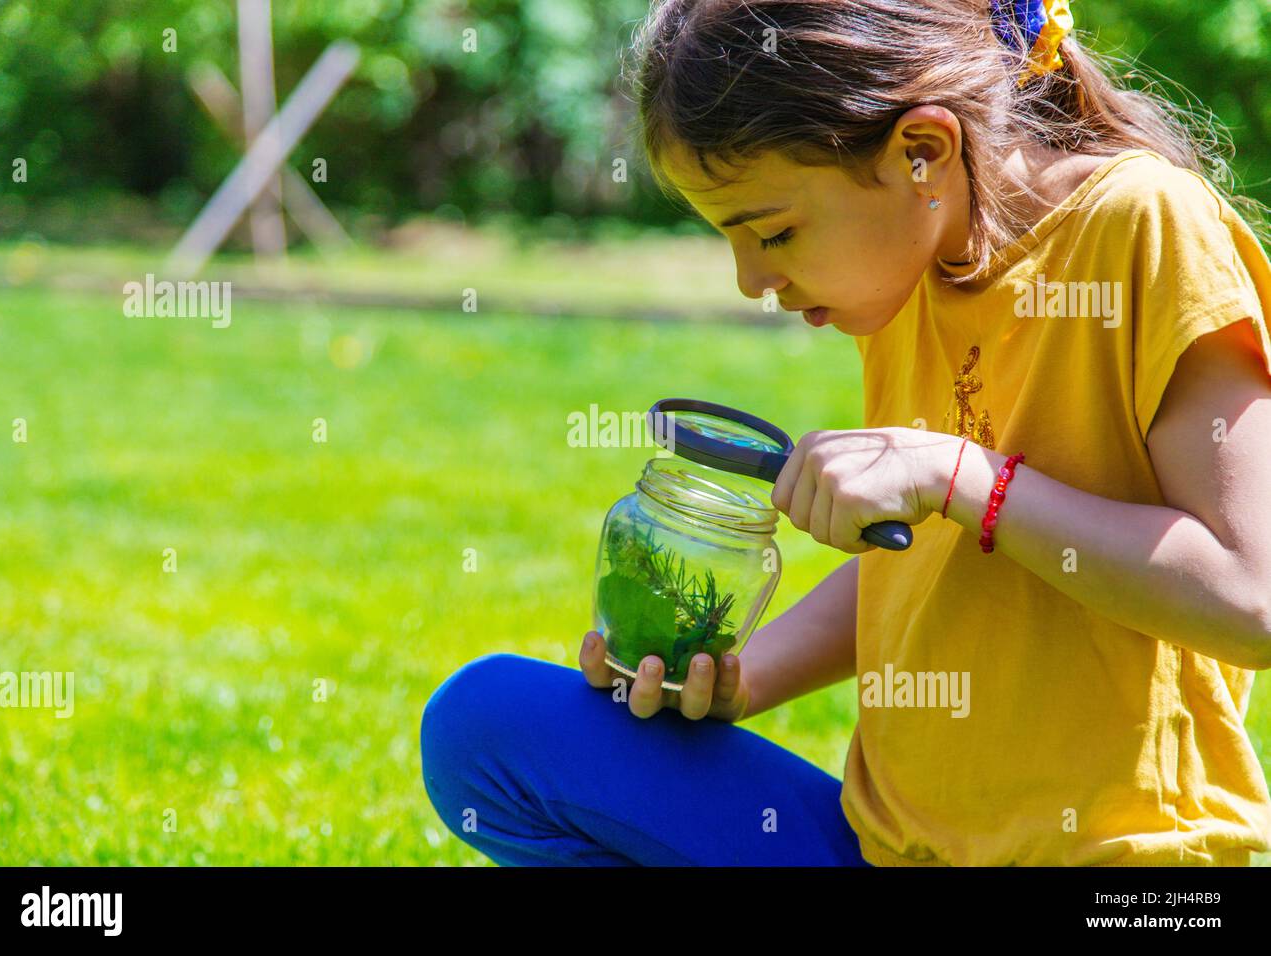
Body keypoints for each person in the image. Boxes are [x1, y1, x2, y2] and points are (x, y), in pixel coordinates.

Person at [421, 0, 1271, 865]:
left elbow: (1252, 598)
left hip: (1133, 869)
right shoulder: (911, 267)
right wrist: (740, 683)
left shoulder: (1145, 225)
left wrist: (968, 479)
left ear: (921, 153)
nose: (753, 280)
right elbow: (930, 569)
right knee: (484, 725)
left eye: (774, 232)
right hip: (884, 850)